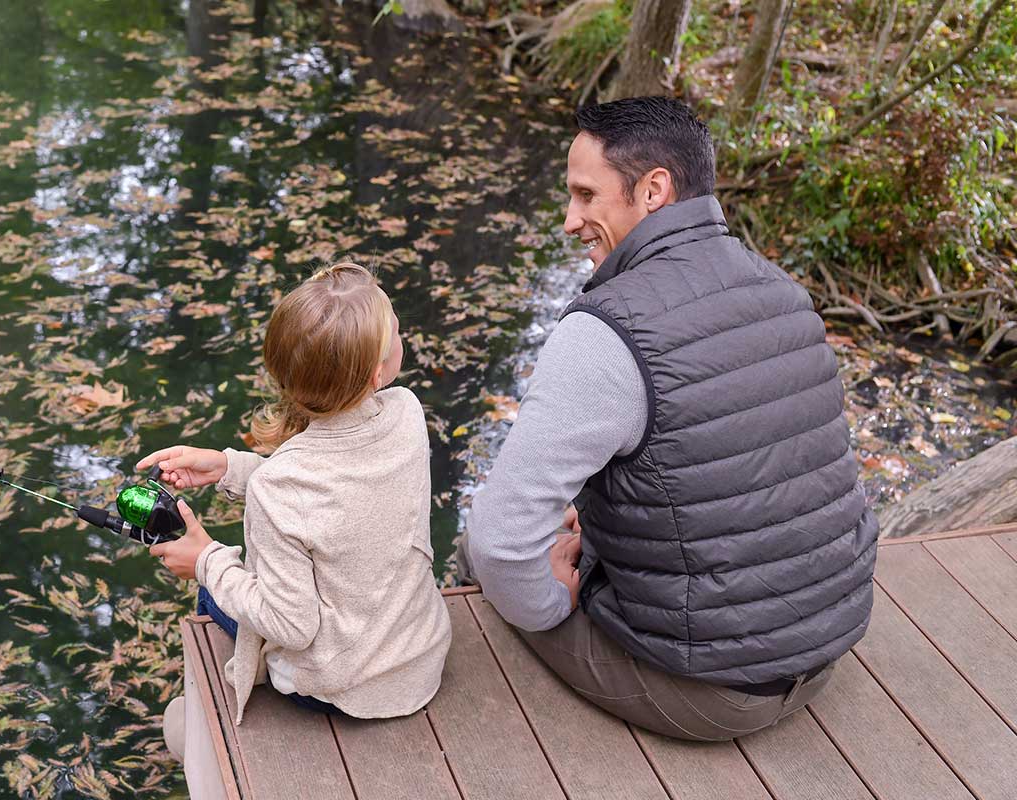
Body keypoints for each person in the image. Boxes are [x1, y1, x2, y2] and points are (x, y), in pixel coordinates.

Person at [458, 97, 879, 741]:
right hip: (824, 653)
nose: (570, 221)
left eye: (584, 195)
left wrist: (556, 599)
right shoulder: (784, 295)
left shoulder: (607, 331)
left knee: (477, 551)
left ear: (653, 189)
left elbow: (499, 540)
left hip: (713, 694)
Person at [142, 262, 451, 728]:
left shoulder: (280, 487)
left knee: (213, 595)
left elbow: (290, 625)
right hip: (421, 658)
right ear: (375, 375)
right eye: (398, 333)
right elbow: (343, 496)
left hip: (345, 689)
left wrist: (205, 558)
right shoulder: (405, 414)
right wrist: (230, 467)